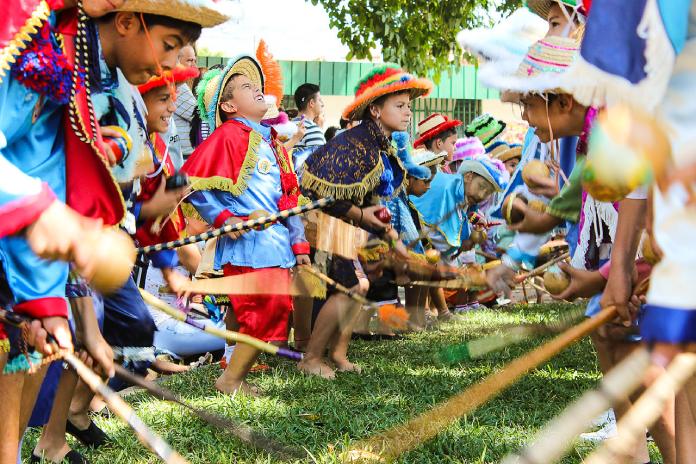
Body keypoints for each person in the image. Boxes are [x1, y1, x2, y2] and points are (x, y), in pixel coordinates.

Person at [182, 54, 310, 395]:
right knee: (265, 313)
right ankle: (229, 380)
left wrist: (299, 246)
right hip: (249, 247)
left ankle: (235, 373)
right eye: (245, 87)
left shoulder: (272, 142)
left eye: (256, 85)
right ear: (227, 105)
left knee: (270, 313)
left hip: (276, 246)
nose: (257, 90)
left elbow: (289, 198)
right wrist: (226, 218)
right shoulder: (227, 136)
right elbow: (194, 185)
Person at [299, 64, 432, 379]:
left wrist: (397, 244)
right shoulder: (355, 143)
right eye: (399, 106)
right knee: (351, 285)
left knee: (362, 283)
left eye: (408, 106)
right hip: (321, 222)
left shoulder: (378, 144)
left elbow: (372, 202)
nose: (407, 113)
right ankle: (312, 357)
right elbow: (330, 197)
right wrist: (362, 217)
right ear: (375, 109)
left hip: (345, 224)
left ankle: (338, 353)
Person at [172, 45, 199, 164]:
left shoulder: (182, 85)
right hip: (182, 157)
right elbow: (199, 115)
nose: (194, 65)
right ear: (177, 61)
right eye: (189, 60)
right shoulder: (180, 87)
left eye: (194, 60)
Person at [291, 83, 326, 171]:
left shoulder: (286, 126)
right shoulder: (314, 130)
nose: (322, 104)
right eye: (320, 100)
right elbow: (321, 165)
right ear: (311, 103)